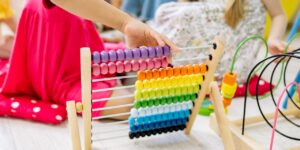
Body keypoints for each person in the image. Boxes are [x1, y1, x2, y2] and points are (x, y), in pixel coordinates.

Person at [0, 0, 177, 124]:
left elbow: (77, 30)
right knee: (134, 107)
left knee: (135, 56)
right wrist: (126, 23)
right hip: (60, 75)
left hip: (84, 52)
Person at [154, 0, 288, 84]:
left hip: (235, 67)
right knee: (178, 13)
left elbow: (279, 14)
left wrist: (274, 39)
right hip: (197, 58)